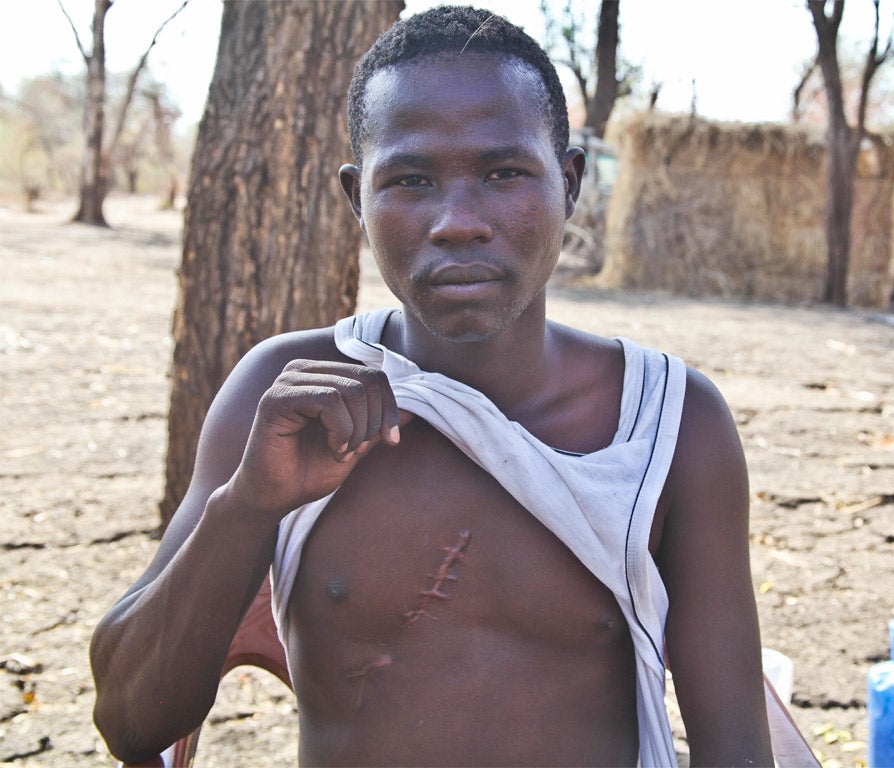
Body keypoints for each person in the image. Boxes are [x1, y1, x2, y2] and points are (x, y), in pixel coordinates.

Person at [90, 7, 773, 767]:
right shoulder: (284, 399)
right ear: (358, 199)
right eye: (411, 180)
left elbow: (736, 749)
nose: (458, 222)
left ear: (570, 182)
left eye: (504, 173)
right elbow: (129, 722)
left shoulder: (664, 423)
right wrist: (248, 504)